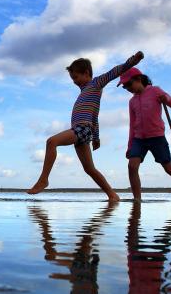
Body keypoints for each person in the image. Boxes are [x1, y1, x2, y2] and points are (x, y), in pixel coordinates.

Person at [27, 50, 144, 200]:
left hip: (81, 129)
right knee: (89, 169)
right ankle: (112, 195)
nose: (74, 81)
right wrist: (96, 137)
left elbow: (114, 72)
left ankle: (43, 180)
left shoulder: (96, 83)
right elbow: (95, 115)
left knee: (52, 141)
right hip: (84, 131)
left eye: (75, 77)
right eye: (72, 78)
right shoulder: (84, 93)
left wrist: (133, 61)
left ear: (86, 72)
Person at [118, 68, 171, 202]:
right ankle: (137, 199)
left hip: (157, 137)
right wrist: (130, 146)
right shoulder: (132, 102)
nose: (127, 88)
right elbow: (132, 125)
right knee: (132, 166)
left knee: (169, 168)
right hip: (138, 139)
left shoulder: (155, 91)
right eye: (124, 87)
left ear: (138, 79)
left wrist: (166, 99)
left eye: (128, 84)